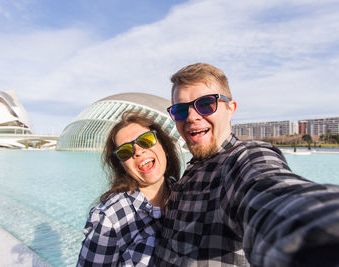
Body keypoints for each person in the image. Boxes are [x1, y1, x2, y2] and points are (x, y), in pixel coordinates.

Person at [154, 63, 339, 266]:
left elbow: (272, 193)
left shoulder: (242, 159)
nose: (192, 117)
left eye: (205, 104)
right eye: (180, 110)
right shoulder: (190, 173)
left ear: (230, 108)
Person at [77, 111, 181, 266]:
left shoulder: (187, 195)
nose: (138, 151)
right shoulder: (109, 218)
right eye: (125, 151)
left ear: (164, 146)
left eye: (146, 140)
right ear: (122, 165)